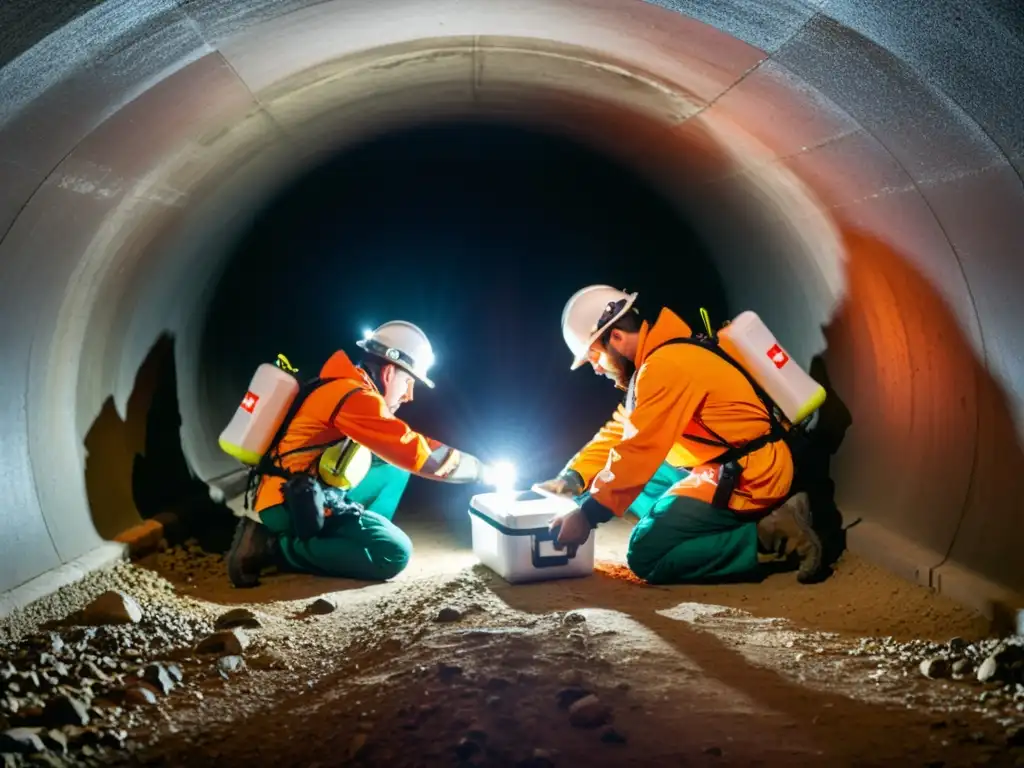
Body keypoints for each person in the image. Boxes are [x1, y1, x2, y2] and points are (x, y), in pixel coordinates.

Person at [537, 285, 824, 585]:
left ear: (616, 338)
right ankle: (698, 521)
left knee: (646, 553)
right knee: (617, 484)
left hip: (751, 478)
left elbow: (636, 453)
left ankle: (771, 533)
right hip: (738, 462)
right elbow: (623, 430)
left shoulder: (663, 368)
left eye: (594, 356)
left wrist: (587, 516)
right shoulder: (664, 354)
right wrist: (574, 477)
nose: (596, 368)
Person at [226, 320, 487, 588]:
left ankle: (341, 542)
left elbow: (395, 452)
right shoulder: (355, 397)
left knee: (392, 468)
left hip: (305, 491)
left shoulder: (343, 386)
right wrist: (480, 470)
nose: (409, 395)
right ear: (388, 373)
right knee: (394, 553)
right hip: (291, 504)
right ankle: (274, 546)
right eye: (408, 381)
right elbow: (413, 450)